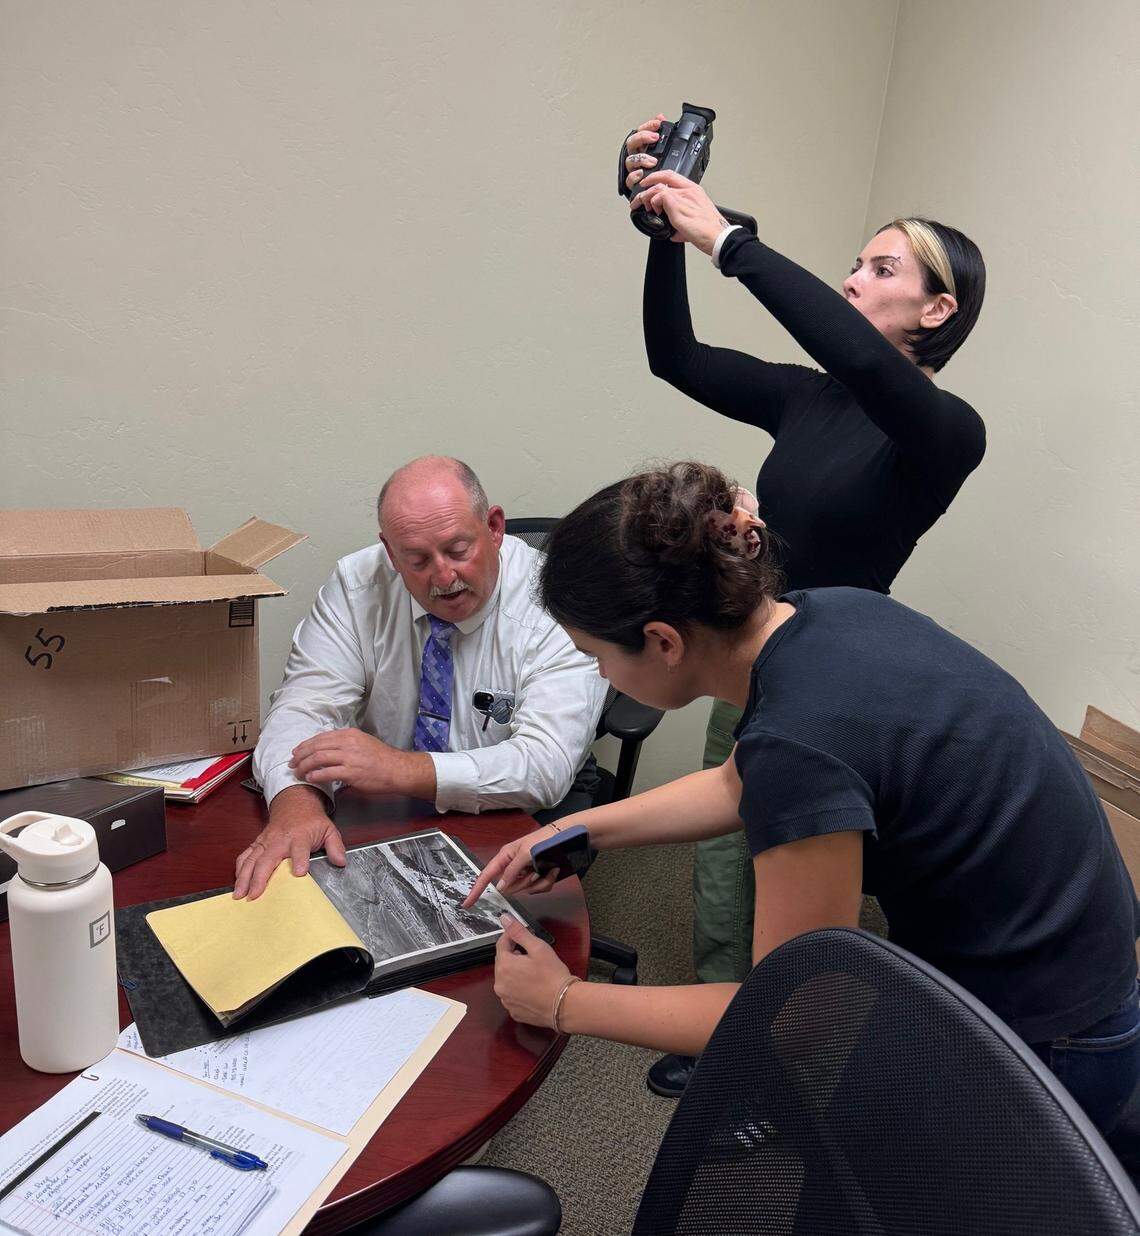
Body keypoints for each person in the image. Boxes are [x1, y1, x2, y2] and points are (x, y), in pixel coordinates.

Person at [464, 462, 1140, 1174]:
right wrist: (576, 829)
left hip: (1054, 1032)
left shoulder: (800, 745)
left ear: (663, 643)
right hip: (1068, 948)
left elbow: (793, 1019)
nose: (599, 675)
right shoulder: (828, 613)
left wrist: (564, 1000)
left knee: (900, 1187)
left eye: (596, 657)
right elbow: (736, 781)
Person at [622, 112, 988, 1094]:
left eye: (880, 270)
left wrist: (729, 242)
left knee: (801, 879)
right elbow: (676, 357)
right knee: (719, 857)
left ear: (937, 313)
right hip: (755, 654)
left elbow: (868, 366)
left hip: (841, 687)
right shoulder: (809, 399)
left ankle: (786, 1064)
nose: (853, 280)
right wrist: (668, 241)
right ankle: (721, 1031)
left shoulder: (946, 432)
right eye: (855, 264)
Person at [234, 455, 607, 901]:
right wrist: (295, 803)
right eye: (417, 560)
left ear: (494, 527)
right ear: (390, 553)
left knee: (485, 930)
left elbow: (543, 766)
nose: (444, 577)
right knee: (337, 906)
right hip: (388, 797)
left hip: (518, 804)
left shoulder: (553, 599)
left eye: (457, 550)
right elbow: (303, 705)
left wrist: (397, 768)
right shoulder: (357, 585)